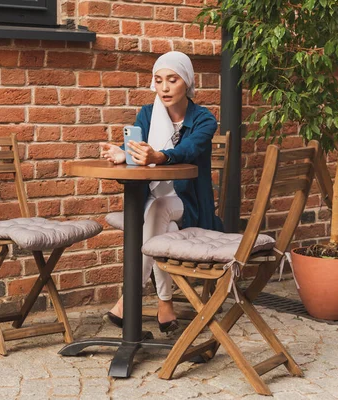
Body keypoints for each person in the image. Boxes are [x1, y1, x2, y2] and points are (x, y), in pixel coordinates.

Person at [100, 51, 223, 333]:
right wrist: (124, 154)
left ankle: (128, 298)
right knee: (161, 221)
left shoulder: (204, 119)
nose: (164, 88)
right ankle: (165, 305)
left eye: (172, 80)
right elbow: (137, 150)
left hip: (189, 203)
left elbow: (188, 150)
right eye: (158, 80)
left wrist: (159, 156)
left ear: (187, 83)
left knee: (160, 210)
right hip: (152, 200)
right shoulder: (146, 114)